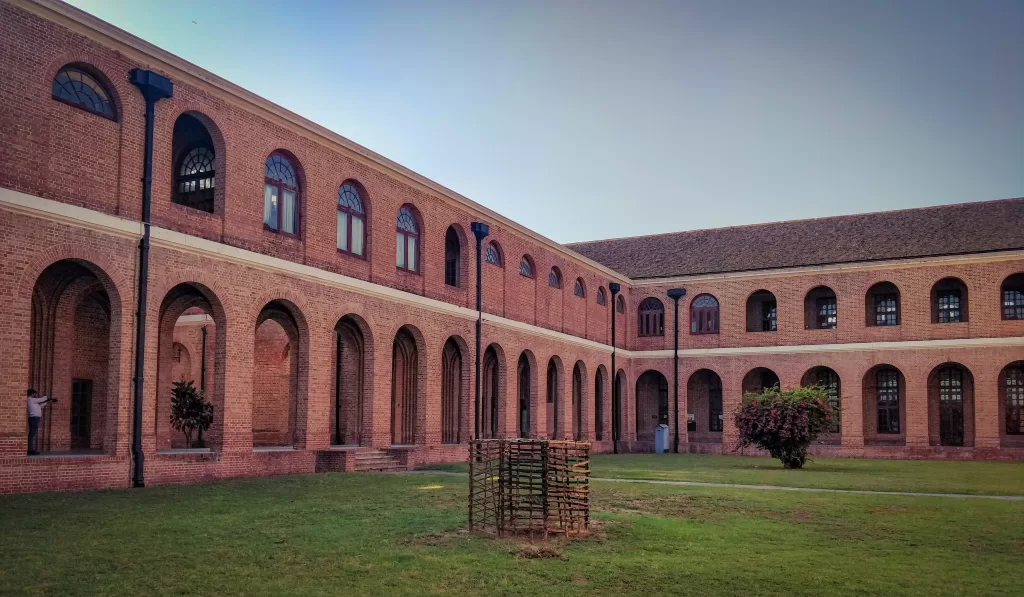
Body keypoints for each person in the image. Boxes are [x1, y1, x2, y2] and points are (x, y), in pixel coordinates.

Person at [26, 389, 56, 455]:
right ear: (32, 394)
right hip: (34, 419)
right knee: (32, 435)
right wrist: (46, 397)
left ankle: (31, 449)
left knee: (32, 435)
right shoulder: (30, 399)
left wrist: (49, 401)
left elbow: (40, 405)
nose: (36, 395)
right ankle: (30, 450)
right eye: (35, 394)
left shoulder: (33, 401)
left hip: (35, 419)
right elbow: (41, 399)